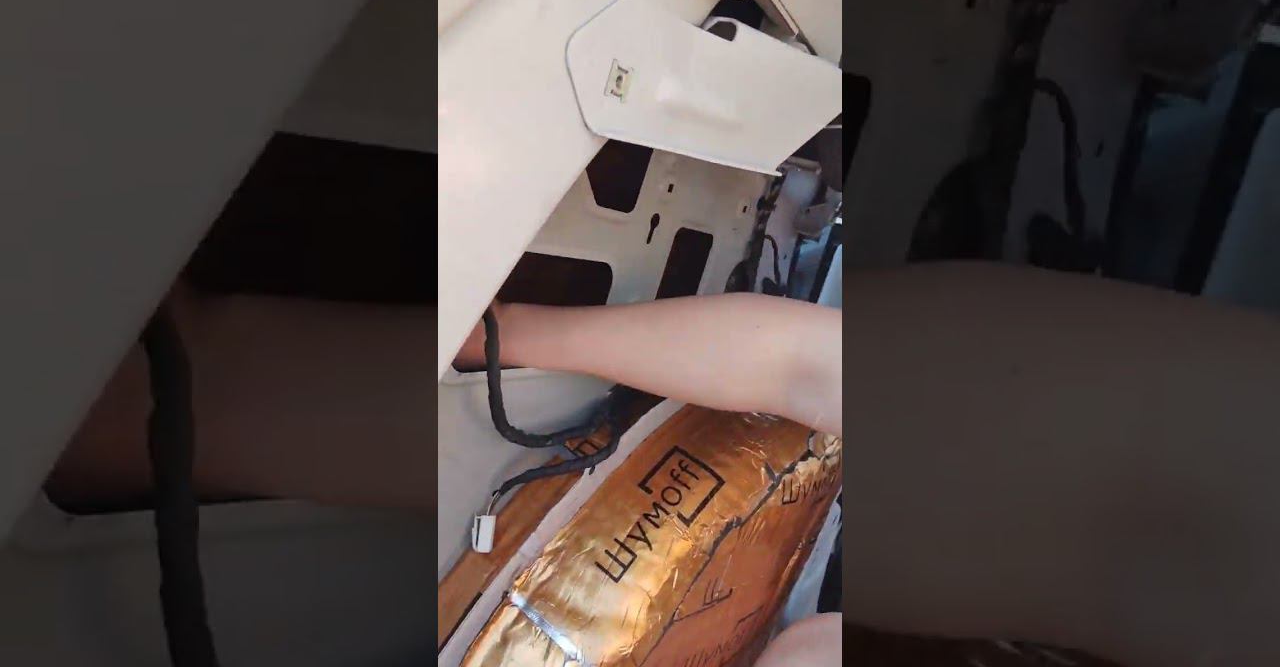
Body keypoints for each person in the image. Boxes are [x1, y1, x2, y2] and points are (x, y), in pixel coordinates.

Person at [49, 261, 1280, 666]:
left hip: (774, 502)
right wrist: (497, 338)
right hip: (748, 437)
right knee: (219, 390)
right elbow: (809, 367)